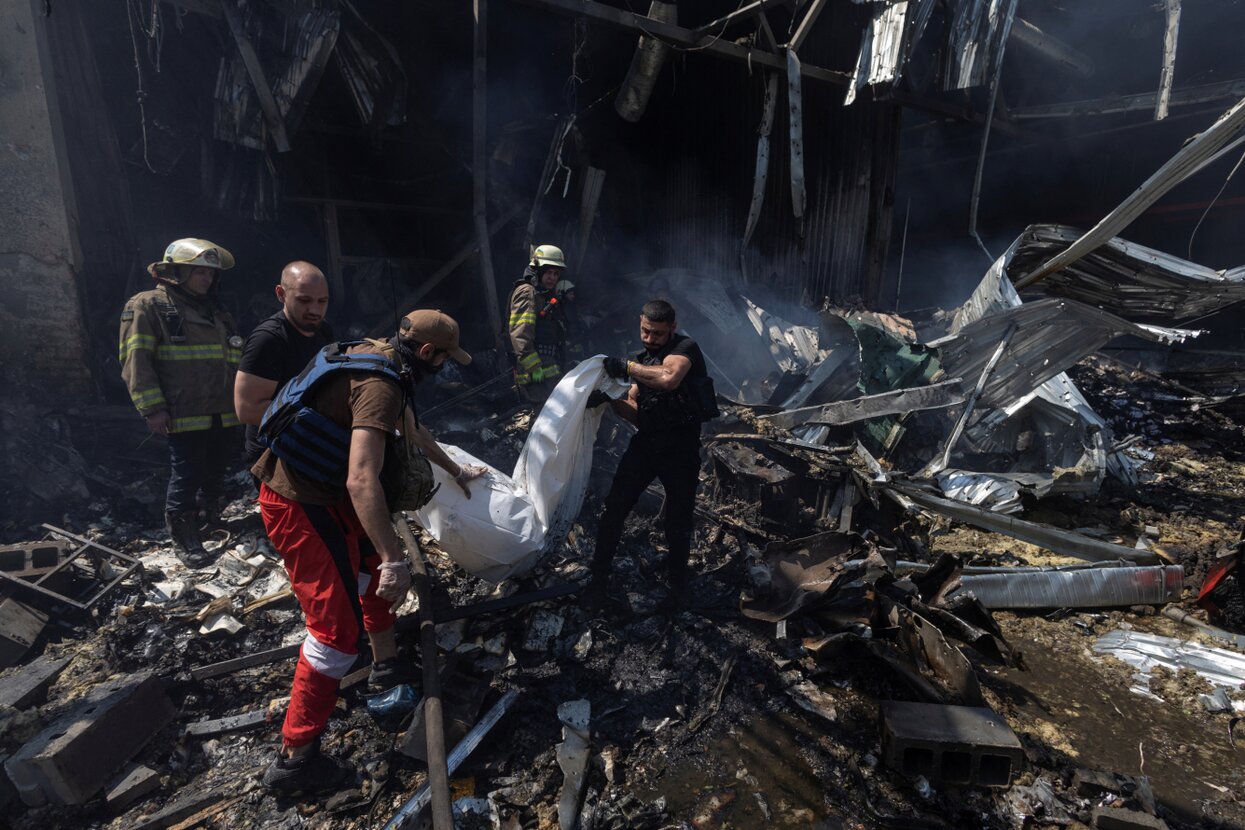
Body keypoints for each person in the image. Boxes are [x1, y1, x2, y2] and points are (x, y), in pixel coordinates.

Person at [253, 309, 486, 794]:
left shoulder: (380, 358)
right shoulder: (381, 385)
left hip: (326, 491)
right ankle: (294, 762)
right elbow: (362, 478)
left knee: (375, 571)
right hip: (295, 500)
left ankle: (385, 667)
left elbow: (415, 432)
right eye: (444, 358)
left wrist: (455, 471)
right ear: (427, 353)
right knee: (335, 634)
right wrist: (396, 557)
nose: (445, 366)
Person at [582, 299, 712, 613]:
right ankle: (598, 579)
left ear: (673, 329)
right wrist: (611, 398)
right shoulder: (644, 360)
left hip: (681, 449)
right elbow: (635, 414)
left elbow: (669, 379)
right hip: (647, 444)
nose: (650, 338)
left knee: (678, 521)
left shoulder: (685, 349)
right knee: (614, 508)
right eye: (645, 331)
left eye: (657, 333)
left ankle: (678, 589)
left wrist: (626, 368)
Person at [119, 238, 242, 568]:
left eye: (211, 274)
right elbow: (136, 360)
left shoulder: (216, 311)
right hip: (183, 411)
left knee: (217, 470)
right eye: (200, 272)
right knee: (186, 475)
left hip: (222, 410)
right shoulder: (149, 305)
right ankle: (185, 539)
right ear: (175, 272)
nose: (208, 279)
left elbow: (233, 357)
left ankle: (210, 519)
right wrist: (152, 407)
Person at [235, 261, 334, 468]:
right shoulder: (269, 340)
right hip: (273, 454)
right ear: (281, 294)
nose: (315, 310)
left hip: (311, 445)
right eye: (304, 300)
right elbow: (247, 409)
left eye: (322, 301)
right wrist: (321, 415)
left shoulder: (323, 331)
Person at [508, 244, 570, 404]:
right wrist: (533, 368)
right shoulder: (527, 292)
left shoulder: (543, 295)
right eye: (548, 272)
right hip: (535, 370)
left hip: (548, 365)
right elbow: (520, 334)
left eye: (556, 273)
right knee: (545, 415)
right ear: (538, 270)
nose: (553, 277)